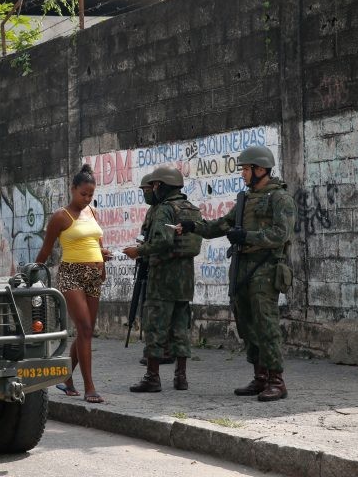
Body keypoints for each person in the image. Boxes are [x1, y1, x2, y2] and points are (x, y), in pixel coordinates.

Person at [177, 146, 296, 402]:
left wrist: (248, 236)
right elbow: (222, 224)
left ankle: (277, 380)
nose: (242, 173)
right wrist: (192, 226)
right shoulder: (245, 198)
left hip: (265, 267)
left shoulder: (279, 198)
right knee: (246, 322)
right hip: (242, 266)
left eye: (245, 168)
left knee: (266, 324)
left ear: (260, 169)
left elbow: (281, 234)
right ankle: (260, 376)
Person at [35, 164, 112, 404]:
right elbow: (46, 250)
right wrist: (33, 273)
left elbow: (97, 244)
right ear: (72, 189)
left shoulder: (93, 213)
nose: (87, 199)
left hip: (94, 276)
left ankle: (67, 380)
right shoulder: (61, 216)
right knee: (86, 329)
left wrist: (103, 259)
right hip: (71, 275)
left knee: (85, 332)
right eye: (83, 194)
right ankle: (90, 387)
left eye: (91, 195)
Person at [123, 166, 202, 393]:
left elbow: (163, 242)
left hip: (163, 277)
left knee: (155, 326)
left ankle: (152, 377)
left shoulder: (163, 210)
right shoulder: (191, 209)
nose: (153, 189)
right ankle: (181, 377)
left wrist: (138, 251)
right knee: (180, 327)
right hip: (185, 277)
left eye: (156, 185)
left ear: (164, 186)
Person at [134, 171, 176, 367]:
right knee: (148, 306)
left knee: (160, 311)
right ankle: (155, 348)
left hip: (162, 265)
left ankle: (163, 349)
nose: (146, 193)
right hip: (149, 262)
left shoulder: (164, 209)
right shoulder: (152, 210)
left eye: (148, 190)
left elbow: (163, 240)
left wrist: (142, 249)